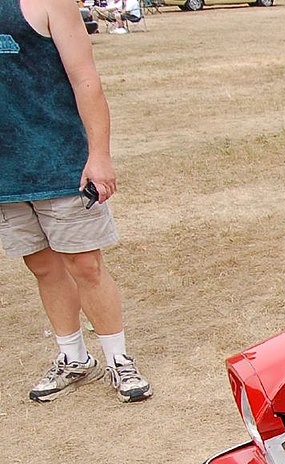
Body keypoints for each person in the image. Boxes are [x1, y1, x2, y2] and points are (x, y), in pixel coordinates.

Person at [0, 0, 152, 402]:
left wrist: (99, 155)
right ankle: (74, 358)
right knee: (41, 266)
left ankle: (118, 359)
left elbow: (86, 79)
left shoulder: (49, 2)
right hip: (7, 172)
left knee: (85, 264)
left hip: (60, 161)